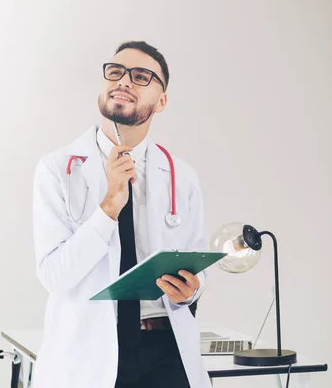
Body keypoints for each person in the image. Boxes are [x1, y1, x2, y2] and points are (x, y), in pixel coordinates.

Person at [31, 41, 211, 388]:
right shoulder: (56, 169)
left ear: (162, 101)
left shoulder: (181, 177)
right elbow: (54, 276)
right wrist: (110, 204)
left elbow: (197, 263)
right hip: (92, 349)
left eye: (141, 76)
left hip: (165, 349)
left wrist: (190, 290)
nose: (124, 81)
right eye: (115, 72)